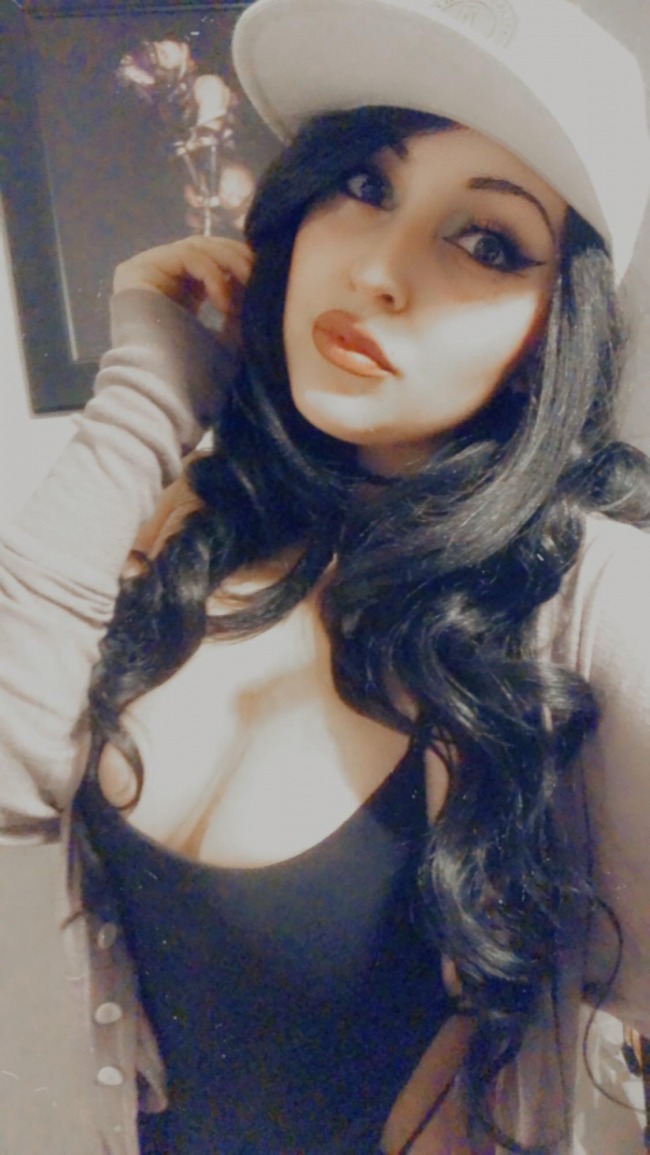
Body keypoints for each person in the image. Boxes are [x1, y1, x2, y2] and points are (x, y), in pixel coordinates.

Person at [1, 0, 650, 1152]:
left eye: (485, 242)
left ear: (552, 333)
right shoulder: (190, 534)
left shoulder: (585, 604)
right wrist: (145, 396)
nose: (380, 271)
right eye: (363, 185)